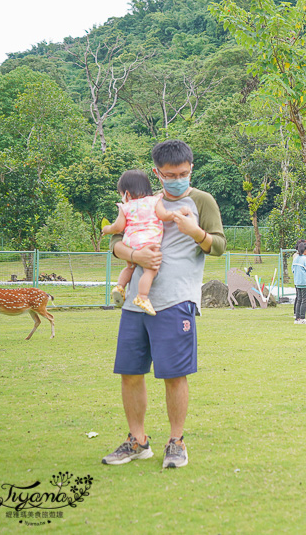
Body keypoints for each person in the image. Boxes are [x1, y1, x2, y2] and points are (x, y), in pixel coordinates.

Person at [102, 140, 226, 470]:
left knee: (174, 374)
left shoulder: (202, 201)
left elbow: (219, 246)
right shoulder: (143, 199)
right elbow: (116, 240)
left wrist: (196, 232)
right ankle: (138, 441)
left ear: (191, 168)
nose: (177, 179)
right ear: (157, 173)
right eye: (170, 174)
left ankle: (176, 442)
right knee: (130, 374)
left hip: (176, 301)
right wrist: (133, 255)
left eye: (183, 173)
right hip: (135, 304)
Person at [101, 170, 190, 316]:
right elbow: (165, 216)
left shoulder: (125, 207)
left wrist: (107, 229)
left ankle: (120, 286)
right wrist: (179, 212)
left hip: (131, 242)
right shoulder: (154, 201)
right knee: (151, 269)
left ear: (127, 194)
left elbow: (118, 227)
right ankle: (142, 297)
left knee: (131, 265)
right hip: (149, 241)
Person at [292, 240, 306, 325]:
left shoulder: (296, 259)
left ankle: (297, 319)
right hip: (305, 283)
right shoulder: (305, 260)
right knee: (305, 300)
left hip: (297, 282)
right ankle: (302, 318)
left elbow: (293, 270)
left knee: (299, 300)